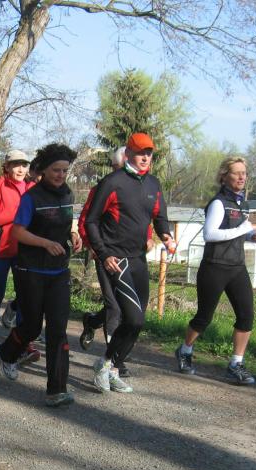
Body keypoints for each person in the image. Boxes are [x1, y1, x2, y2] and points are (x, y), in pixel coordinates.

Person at [85, 132, 175, 393]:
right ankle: (105, 364)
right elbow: (91, 221)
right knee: (133, 318)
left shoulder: (153, 184)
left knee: (137, 321)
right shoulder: (112, 182)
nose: (145, 157)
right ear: (128, 154)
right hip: (116, 259)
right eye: (140, 153)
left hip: (138, 260)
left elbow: (159, 217)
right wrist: (103, 254)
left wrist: (166, 236)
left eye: (149, 153)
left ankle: (111, 368)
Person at [0, 144, 81, 407]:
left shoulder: (68, 194)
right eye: (56, 170)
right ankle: (7, 352)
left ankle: (57, 389)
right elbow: (17, 232)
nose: (61, 175)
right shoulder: (32, 197)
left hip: (59, 271)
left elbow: (67, 223)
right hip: (30, 269)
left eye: (65, 170)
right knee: (32, 326)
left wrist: (74, 234)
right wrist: (45, 243)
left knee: (57, 329)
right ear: (44, 170)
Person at [176, 157, 256, 385]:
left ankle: (235, 364)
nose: (241, 177)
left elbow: (234, 232)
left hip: (237, 267)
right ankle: (184, 350)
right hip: (214, 267)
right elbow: (210, 234)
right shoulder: (218, 203)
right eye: (236, 173)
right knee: (204, 318)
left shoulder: (243, 204)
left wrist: (250, 235)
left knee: (246, 316)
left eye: (244, 173)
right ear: (224, 176)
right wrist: (242, 229)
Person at [77, 146, 155, 376]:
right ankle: (113, 362)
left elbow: (142, 218)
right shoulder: (103, 188)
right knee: (114, 306)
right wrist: (95, 248)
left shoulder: (141, 187)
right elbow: (86, 221)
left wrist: (149, 237)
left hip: (133, 257)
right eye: (118, 168)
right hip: (107, 256)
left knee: (128, 307)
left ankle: (93, 321)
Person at [0, 150, 41, 369]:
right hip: (0, 251)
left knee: (25, 297)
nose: (20, 169)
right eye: (16, 164)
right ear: (6, 166)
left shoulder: (32, 188)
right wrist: (20, 212)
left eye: (24, 165)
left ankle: (23, 342)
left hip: (23, 251)